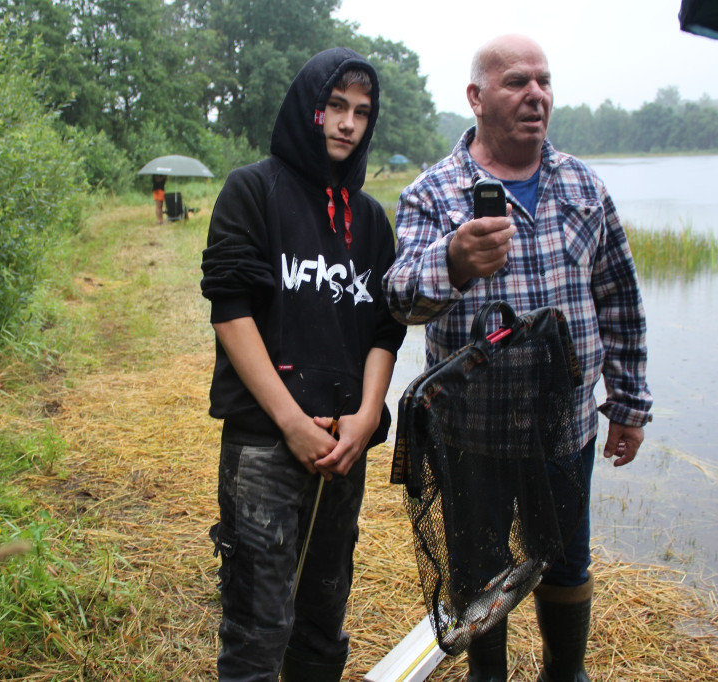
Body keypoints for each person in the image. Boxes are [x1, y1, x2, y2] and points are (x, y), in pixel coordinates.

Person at [382, 34, 652, 682]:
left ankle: (567, 674)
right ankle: (487, 677)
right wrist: (452, 261)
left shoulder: (583, 184)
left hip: (565, 429)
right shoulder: (435, 192)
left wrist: (629, 402)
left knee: (566, 560)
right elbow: (398, 295)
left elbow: (619, 297)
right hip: (471, 435)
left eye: (544, 81)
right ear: (476, 98)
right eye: (516, 82)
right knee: (478, 569)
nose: (536, 94)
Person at [200, 48, 406, 682]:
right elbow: (231, 312)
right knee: (258, 628)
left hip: (344, 449)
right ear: (308, 110)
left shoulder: (371, 219)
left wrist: (368, 417)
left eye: (361, 113)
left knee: (322, 618)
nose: (347, 123)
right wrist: (291, 422)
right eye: (334, 107)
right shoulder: (252, 191)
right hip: (266, 445)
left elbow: (384, 330)